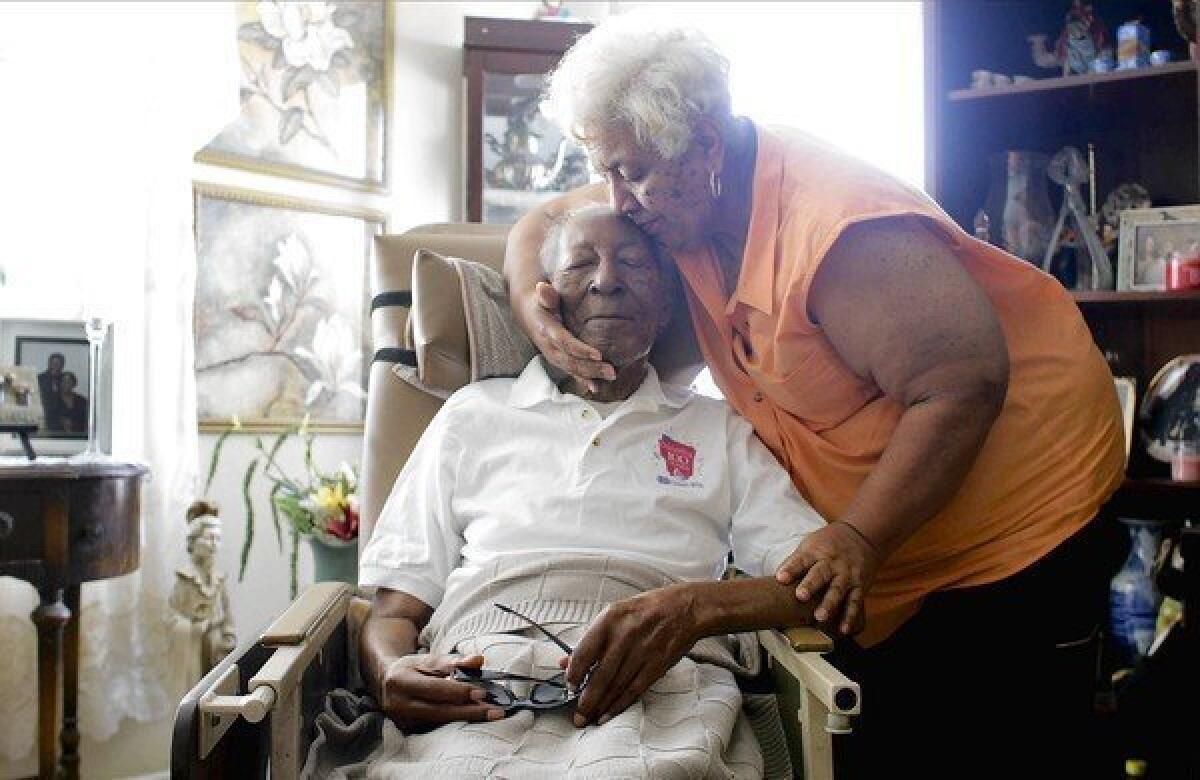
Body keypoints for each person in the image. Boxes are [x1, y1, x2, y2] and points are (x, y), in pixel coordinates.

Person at [503, 18, 1126, 776]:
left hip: (1016, 515)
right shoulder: (676, 196)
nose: (617, 198)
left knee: (1003, 744)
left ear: (704, 146)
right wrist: (529, 300)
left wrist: (859, 537)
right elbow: (549, 222)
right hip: (888, 552)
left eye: (628, 173)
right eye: (606, 170)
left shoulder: (834, 230)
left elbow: (962, 385)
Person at [356, 205, 825, 778]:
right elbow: (393, 611)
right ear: (546, 296)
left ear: (665, 306)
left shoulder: (717, 427)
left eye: (632, 262)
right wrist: (387, 672)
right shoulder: (472, 414)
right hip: (483, 672)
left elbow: (814, 585)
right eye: (582, 263)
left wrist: (693, 607)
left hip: (665, 672)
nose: (607, 279)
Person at [168, 501, 236, 696]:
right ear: (193, 541)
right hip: (194, 652)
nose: (214, 544)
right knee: (196, 693)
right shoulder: (185, 580)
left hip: (217, 649)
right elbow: (171, 619)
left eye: (218, 538)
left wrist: (228, 634)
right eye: (209, 538)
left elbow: (227, 613)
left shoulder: (219, 579)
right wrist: (195, 627)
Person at [36, 352, 65, 432]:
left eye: (58, 363)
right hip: (44, 415)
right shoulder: (39, 378)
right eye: (53, 363)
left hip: (61, 418)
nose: (56, 365)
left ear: (62, 365)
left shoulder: (65, 379)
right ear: (49, 363)